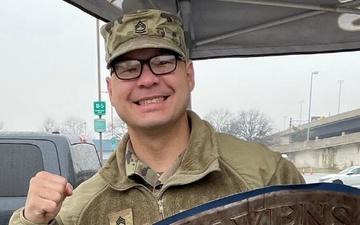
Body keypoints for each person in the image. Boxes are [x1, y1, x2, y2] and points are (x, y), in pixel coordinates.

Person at [10, 9, 305, 225]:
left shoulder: (265, 175)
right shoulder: (81, 208)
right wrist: (31, 220)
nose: (147, 80)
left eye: (163, 62)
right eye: (128, 68)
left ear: (188, 75)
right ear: (111, 90)